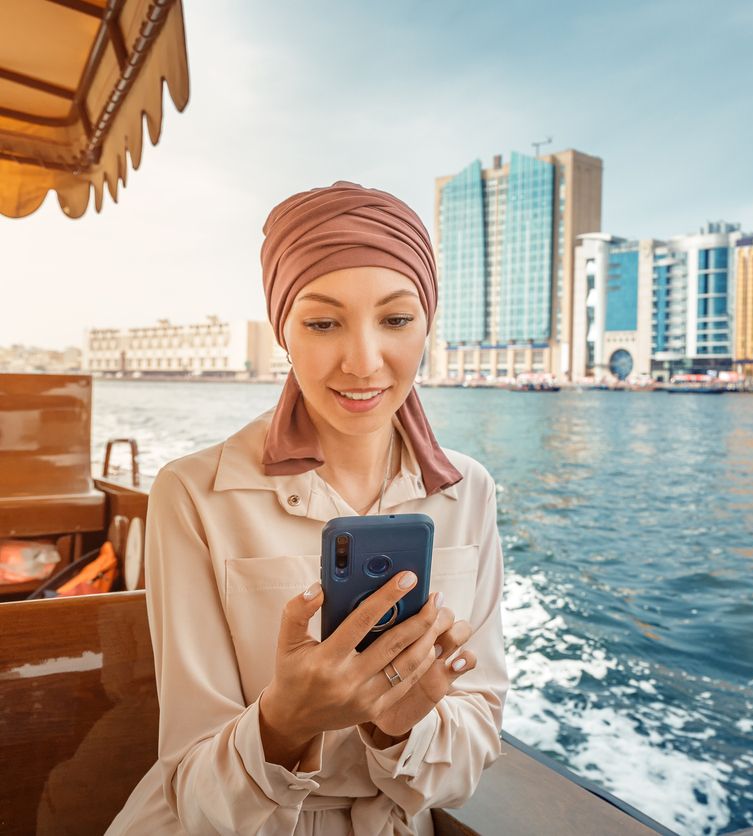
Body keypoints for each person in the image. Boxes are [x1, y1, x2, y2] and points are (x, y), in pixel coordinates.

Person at [108, 182, 508, 835]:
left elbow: (471, 757)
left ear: (427, 324)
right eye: (323, 323)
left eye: (397, 320)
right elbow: (195, 794)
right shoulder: (192, 494)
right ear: (283, 333)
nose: (364, 360)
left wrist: (397, 730)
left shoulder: (470, 490)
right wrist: (285, 720)